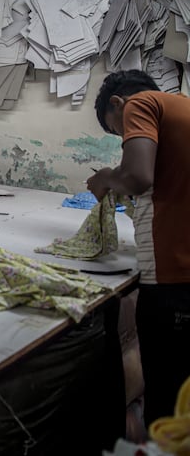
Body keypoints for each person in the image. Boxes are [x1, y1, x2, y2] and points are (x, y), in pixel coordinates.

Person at [86, 69, 190, 428]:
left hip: (176, 277)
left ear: (118, 104)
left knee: (168, 403)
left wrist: (106, 177)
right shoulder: (182, 108)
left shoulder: (140, 103)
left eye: (118, 131)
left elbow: (138, 176)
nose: (123, 138)